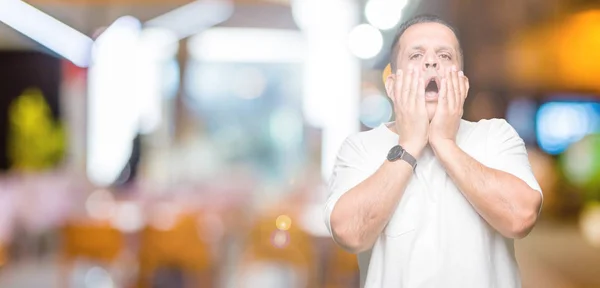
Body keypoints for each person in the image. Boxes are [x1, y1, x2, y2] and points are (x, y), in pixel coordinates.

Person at [324, 14, 543, 288]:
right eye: (416, 56)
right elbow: (349, 234)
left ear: (462, 83)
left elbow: (520, 218)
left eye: (445, 55)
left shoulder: (496, 136)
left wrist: (445, 143)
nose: (431, 62)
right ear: (392, 86)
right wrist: (409, 144)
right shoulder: (359, 148)